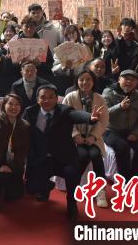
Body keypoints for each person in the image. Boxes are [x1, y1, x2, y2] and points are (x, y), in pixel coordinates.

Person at [23, 84, 103, 220]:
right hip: (41, 158)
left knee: (73, 175)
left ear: (57, 99)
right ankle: (46, 187)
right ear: (37, 99)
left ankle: (72, 204)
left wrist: (90, 117)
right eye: (43, 97)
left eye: (51, 97)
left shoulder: (65, 111)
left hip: (64, 157)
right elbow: (21, 129)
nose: (47, 100)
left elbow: (77, 115)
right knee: (31, 188)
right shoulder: (30, 112)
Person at [63, 70, 110, 208]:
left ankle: (100, 191)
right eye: (81, 79)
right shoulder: (70, 97)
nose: (85, 82)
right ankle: (74, 187)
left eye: (88, 79)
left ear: (93, 81)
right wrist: (75, 135)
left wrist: (93, 136)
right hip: (74, 139)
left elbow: (104, 121)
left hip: (93, 138)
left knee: (95, 155)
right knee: (82, 156)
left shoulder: (100, 98)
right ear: (77, 81)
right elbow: (64, 118)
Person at [102, 70, 138, 179]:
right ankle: (125, 180)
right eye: (126, 79)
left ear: (136, 83)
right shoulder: (108, 92)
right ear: (119, 79)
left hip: (132, 131)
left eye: (132, 80)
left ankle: (134, 179)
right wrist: (119, 107)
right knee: (123, 147)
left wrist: (136, 133)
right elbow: (103, 114)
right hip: (112, 131)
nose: (129, 81)